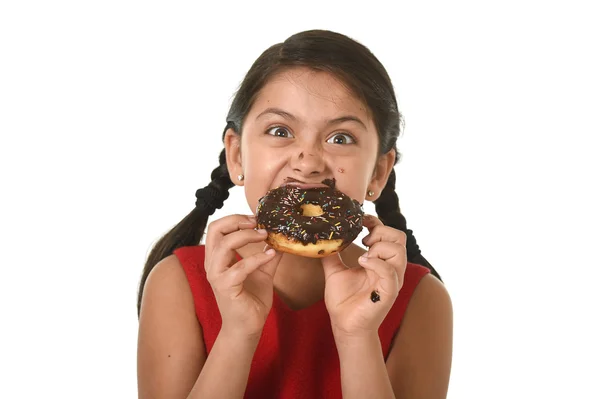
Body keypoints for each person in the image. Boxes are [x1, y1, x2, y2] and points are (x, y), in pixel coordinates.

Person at [136, 29, 453, 399]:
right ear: (237, 155)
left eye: (341, 138)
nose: (308, 161)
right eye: (280, 130)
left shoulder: (419, 299)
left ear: (379, 172)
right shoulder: (178, 283)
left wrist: (357, 338)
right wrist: (238, 332)